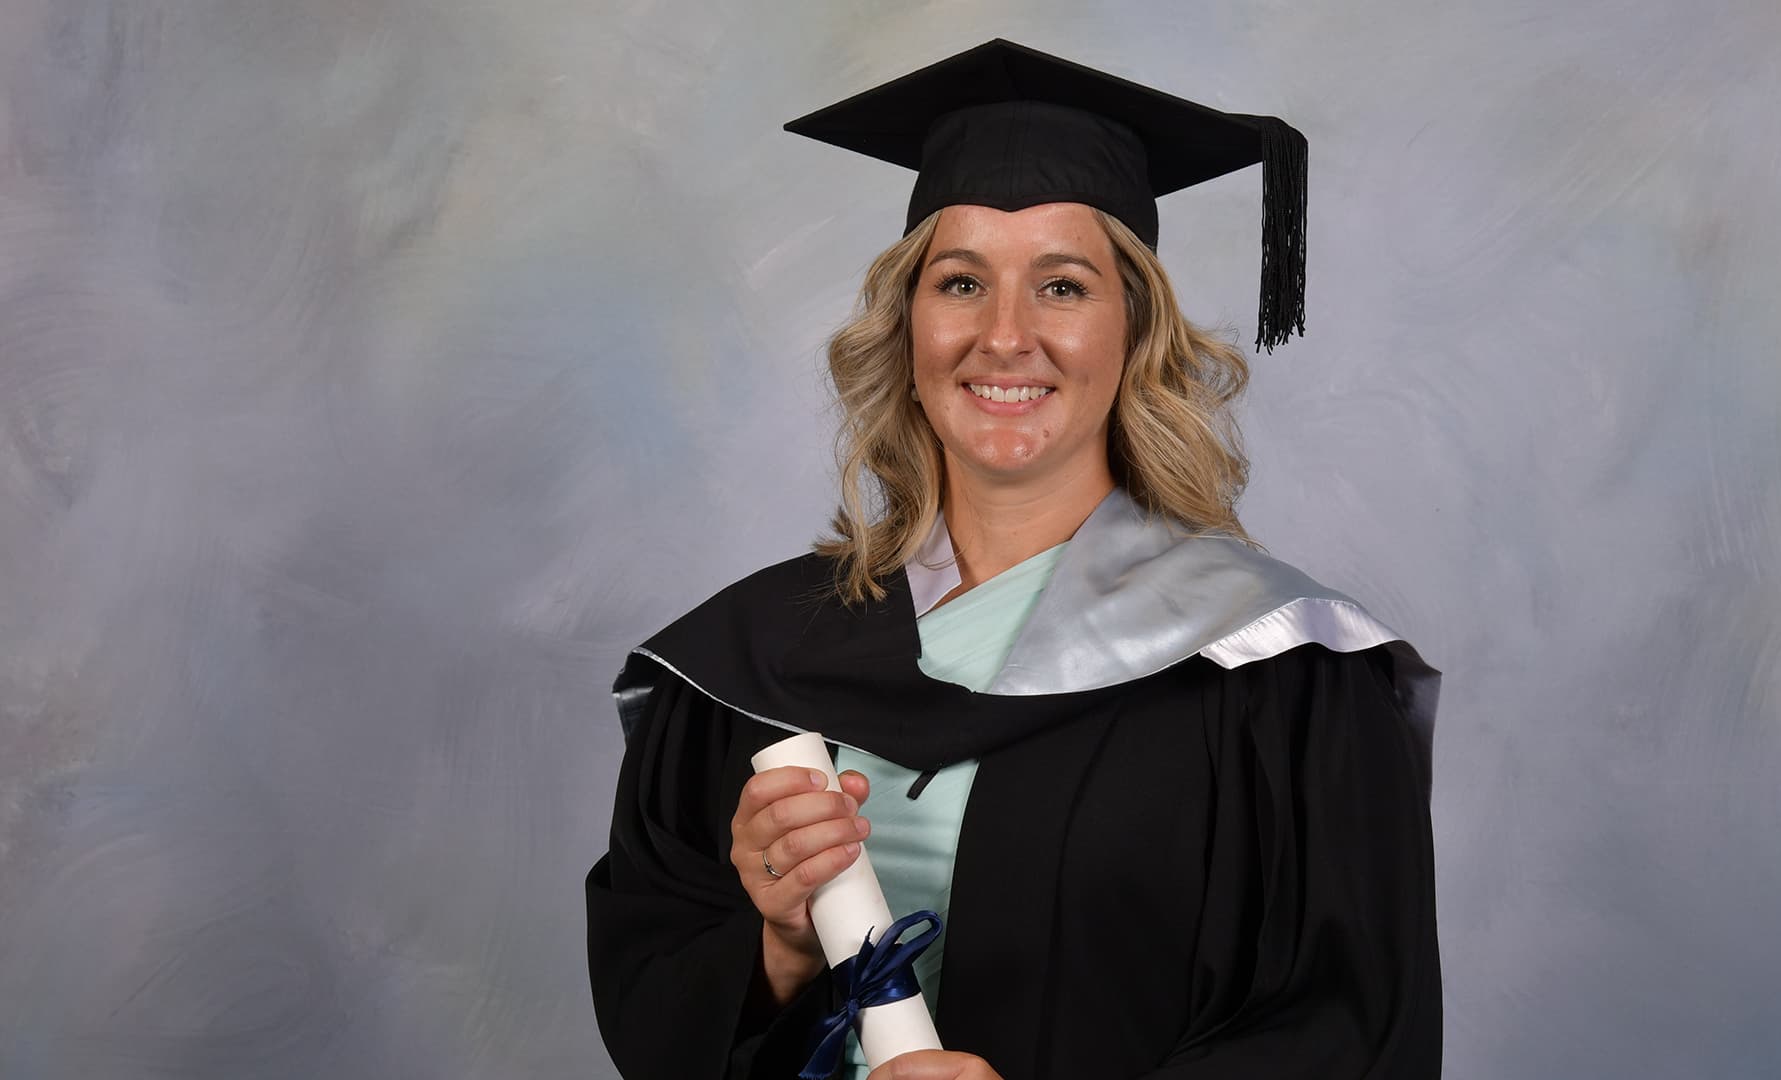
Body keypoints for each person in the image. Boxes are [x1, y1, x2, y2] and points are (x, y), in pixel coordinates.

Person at [585, 39, 1443, 1080]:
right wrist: (778, 950)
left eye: (1063, 287)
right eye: (960, 282)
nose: (1004, 335)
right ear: (907, 327)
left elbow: (1352, 1038)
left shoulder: (1280, 677)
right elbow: (650, 996)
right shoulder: (755, 662)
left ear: (1136, 329)